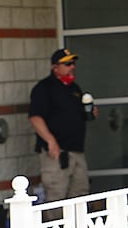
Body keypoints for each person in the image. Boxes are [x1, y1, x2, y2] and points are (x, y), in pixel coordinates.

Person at [28, 48, 94, 203]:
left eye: (73, 63)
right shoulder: (44, 88)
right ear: (55, 67)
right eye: (67, 64)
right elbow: (35, 118)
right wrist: (51, 141)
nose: (72, 66)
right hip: (56, 153)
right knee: (56, 195)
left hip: (77, 150)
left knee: (80, 194)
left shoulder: (74, 88)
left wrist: (90, 112)